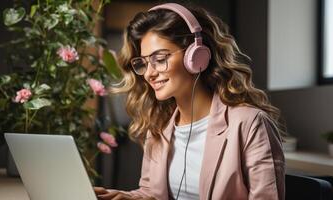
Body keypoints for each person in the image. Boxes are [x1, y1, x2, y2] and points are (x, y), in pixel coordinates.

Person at [94, 2, 285, 200]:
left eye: (159, 58)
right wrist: (128, 197)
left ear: (196, 56)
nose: (149, 73)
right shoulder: (158, 127)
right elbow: (152, 193)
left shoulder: (250, 123)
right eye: (144, 63)